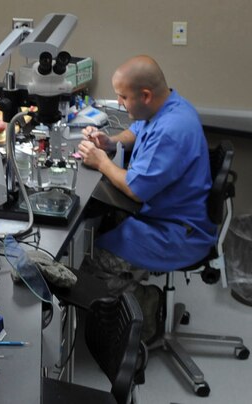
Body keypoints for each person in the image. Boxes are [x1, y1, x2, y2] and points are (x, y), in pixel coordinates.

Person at [77, 55, 216, 341]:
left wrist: (101, 161)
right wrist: (110, 142)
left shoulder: (171, 130)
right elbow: (136, 130)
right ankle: (136, 293)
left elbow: (136, 188)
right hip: (166, 214)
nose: (120, 103)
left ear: (145, 95)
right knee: (99, 224)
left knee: (88, 267)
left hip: (175, 232)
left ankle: (146, 306)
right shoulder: (167, 106)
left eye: (123, 97)